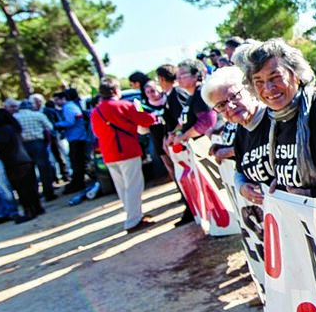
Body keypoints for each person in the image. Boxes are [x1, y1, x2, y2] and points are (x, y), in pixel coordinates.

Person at [233, 40, 316, 312]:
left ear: (296, 74)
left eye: (275, 77)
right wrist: (280, 189)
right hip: (309, 242)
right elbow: (286, 172)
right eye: (259, 82)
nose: (268, 89)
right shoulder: (277, 120)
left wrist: (309, 193)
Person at [200, 63, 269, 312]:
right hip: (261, 225)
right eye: (220, 106)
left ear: (248, 90)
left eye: (233, 96)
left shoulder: (272, 118)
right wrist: (242, 186)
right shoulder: (242, 129)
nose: (229, 107)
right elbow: (241, 164)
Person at [92, 78, 158, 233]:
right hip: (127, 150)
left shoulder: (96, 111)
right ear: (115, 91)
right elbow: (146, 119)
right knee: (134, 186)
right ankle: (133, 221)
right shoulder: (123, 105)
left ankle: (133, 215)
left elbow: (96, 133)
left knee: (122, 188)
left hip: (108, 154)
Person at [166, 59, 217, 226]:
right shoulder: (191, 97)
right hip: (194, 152)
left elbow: (206, 123)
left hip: (205, 149)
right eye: (177, 75)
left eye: (182, 75)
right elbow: (185, 120)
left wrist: (183, 136)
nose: (178, 79)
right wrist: (175, 133)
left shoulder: (202, 95)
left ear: (197, 75)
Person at [0, 108, 41, 222]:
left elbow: (1, 146)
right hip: (24, 160)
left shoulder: (5, 129)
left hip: (15, 164)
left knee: (23, 190)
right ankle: (36, 208)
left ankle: (29, 212)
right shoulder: (13, 128)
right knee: (30, 188)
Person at [14, 99, 57, 201]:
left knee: (29, 171)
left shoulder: (15, 118)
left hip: (23, 146)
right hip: (38, 143)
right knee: (44, 169)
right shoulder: (38, 115)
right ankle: (48, 192)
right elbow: (50, 127)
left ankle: (34, 194)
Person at [52, 89, 88, 193]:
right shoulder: (72, 106)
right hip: (78, 136)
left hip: (76, 137)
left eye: (57, 100)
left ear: (63, 98)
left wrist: (57, 125)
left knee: (76, 161)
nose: (56, 103)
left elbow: (70, 122)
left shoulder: (68, 108)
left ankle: (78, 183)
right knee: (77, 161)